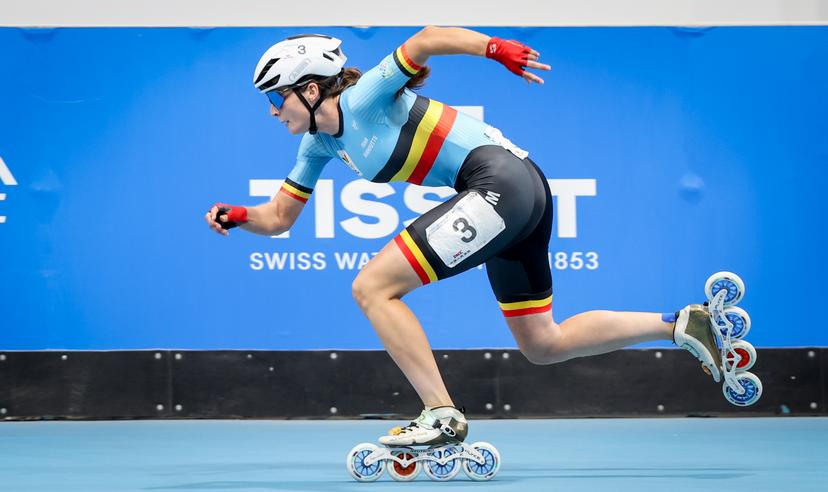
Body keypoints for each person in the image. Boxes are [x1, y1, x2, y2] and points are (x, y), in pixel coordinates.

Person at [205, 27, 724, 446]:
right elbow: (278, 217)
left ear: (312, 88)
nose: (274, 110)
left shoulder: (365, 96)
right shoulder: (317, 147)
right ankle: (681, 324)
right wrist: (237, 215)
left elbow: (426, 39)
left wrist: (494, 49)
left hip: (501, 183)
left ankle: (440, 414)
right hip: (522, 189)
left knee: (372, 287)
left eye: (277, 97)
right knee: (543, 343)